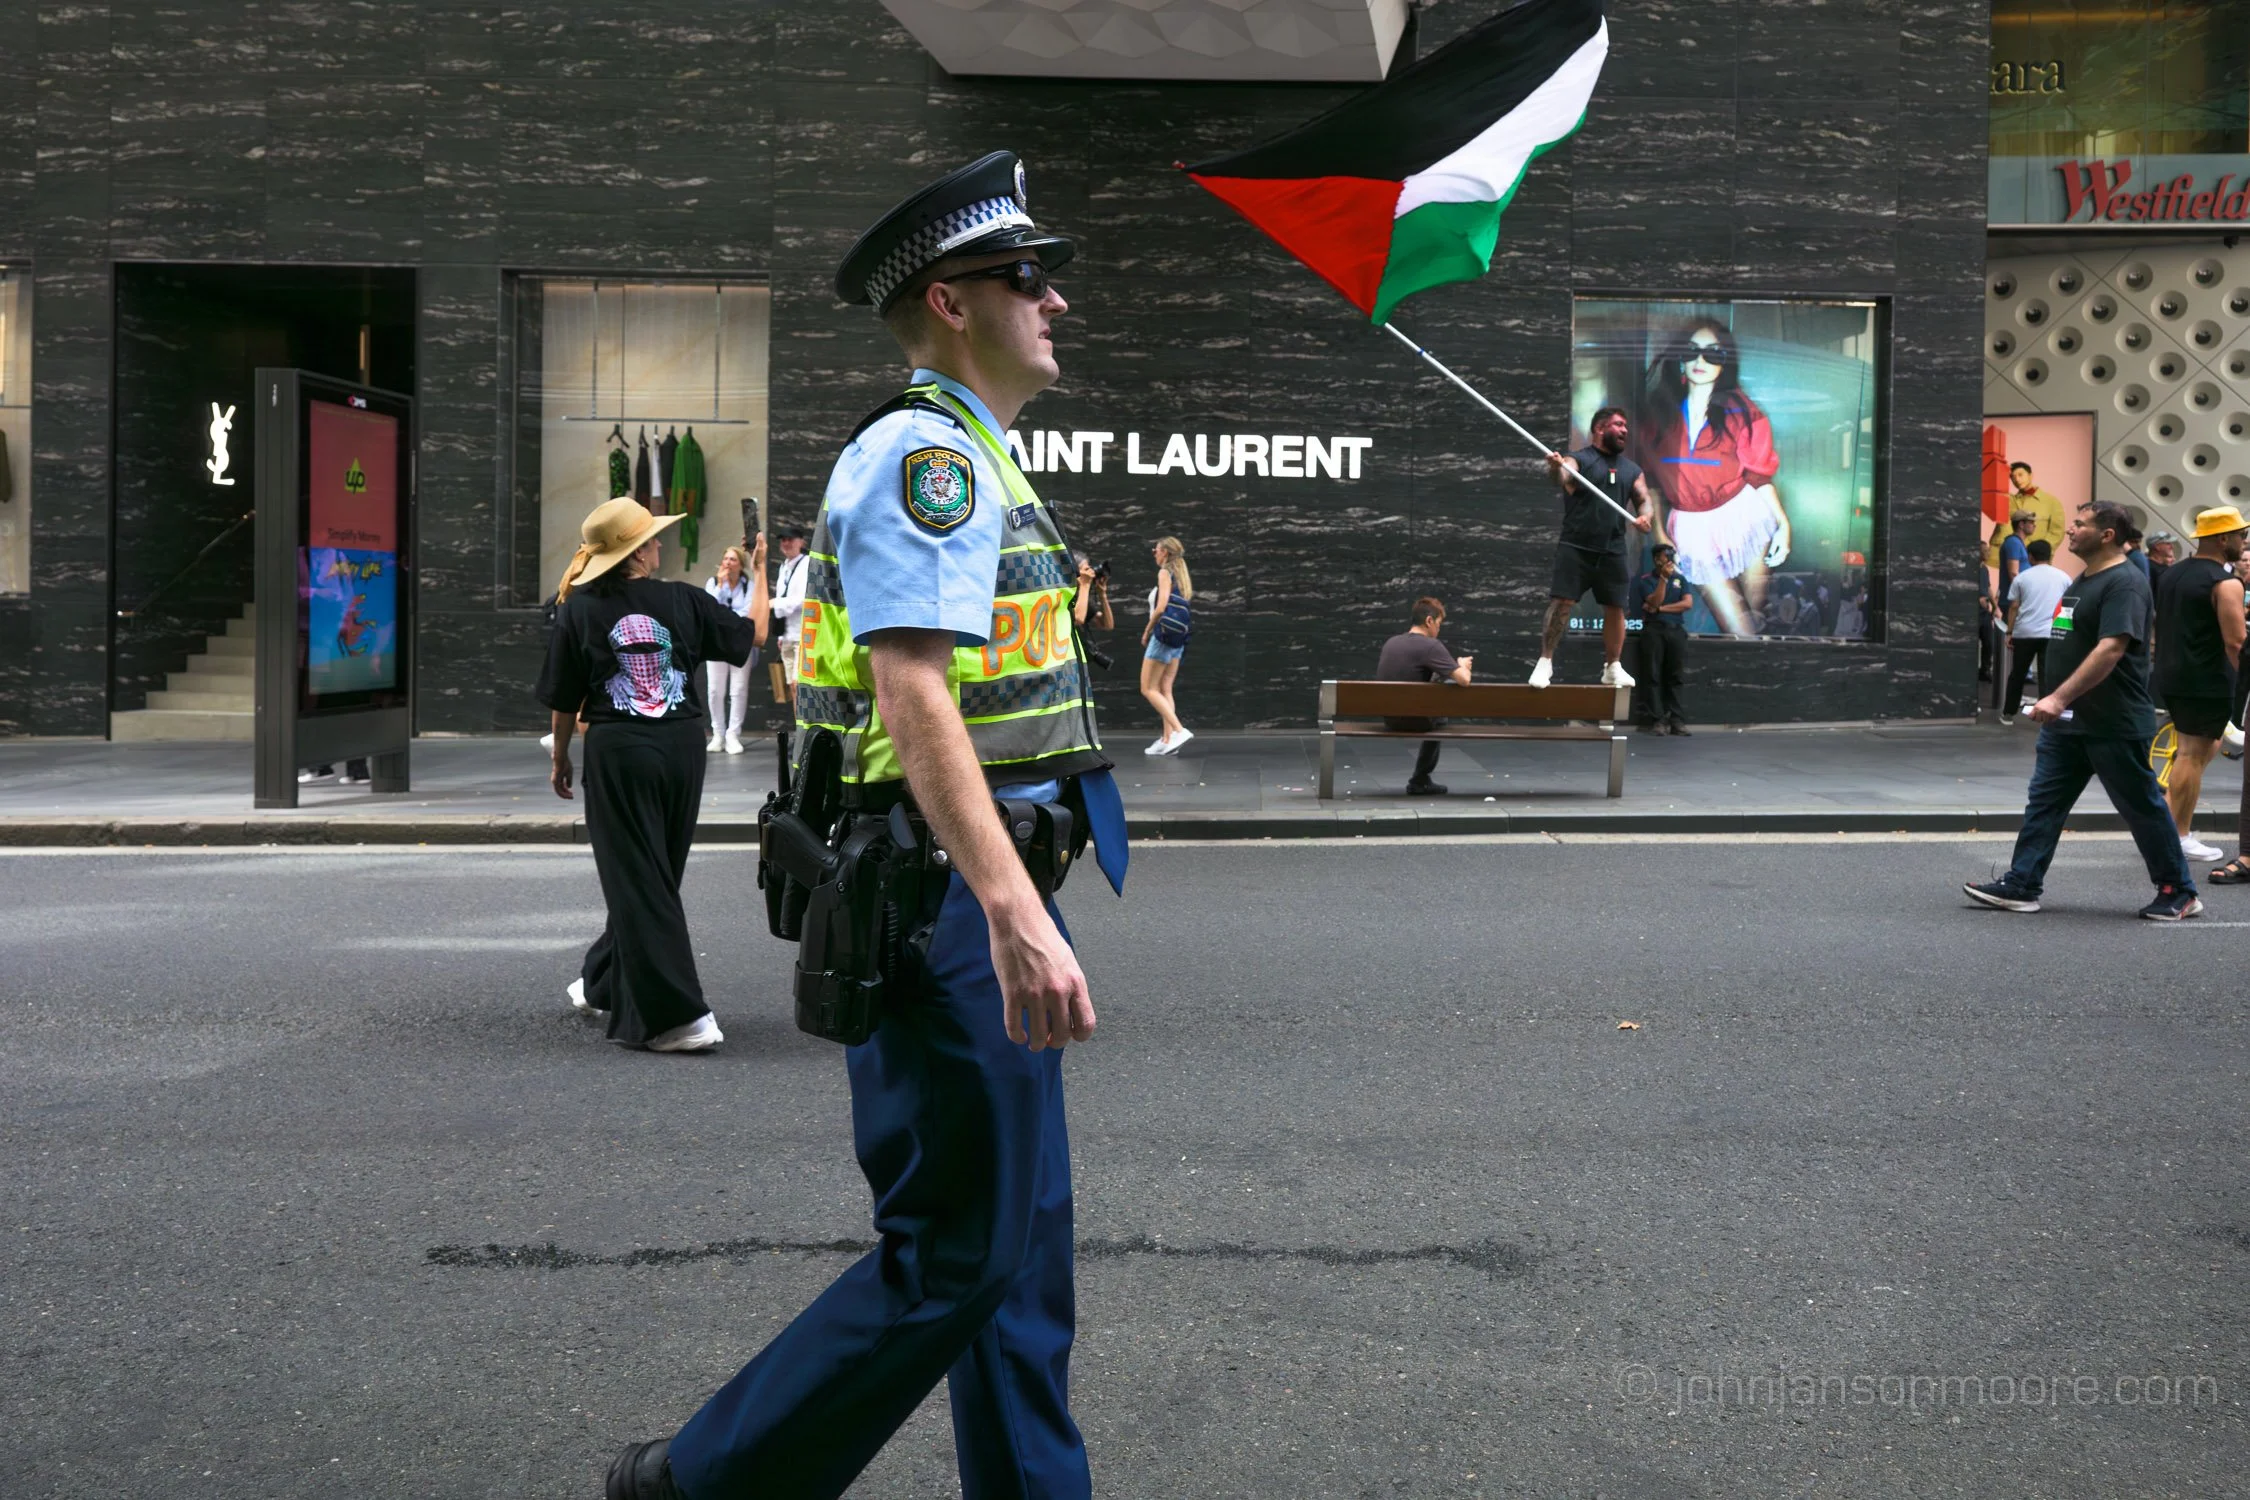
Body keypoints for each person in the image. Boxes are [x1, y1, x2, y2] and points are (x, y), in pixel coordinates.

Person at [607, 149, 1128, 1500]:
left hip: (969, 883)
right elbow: (911, 692)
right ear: (952, 302)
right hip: (943, 895)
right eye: (1029, 277)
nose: (1055, 300)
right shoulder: (925, 459)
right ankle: (700, 1483)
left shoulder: (974, 452)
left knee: (1019, 1260)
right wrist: (1011, 912)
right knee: (956, 1253)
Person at [537, 497, 759, 1051]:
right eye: (653, 538)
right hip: (682, 748)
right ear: (638, 552)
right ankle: (603, 981)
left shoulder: (579, 609)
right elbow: (751, 636)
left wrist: (560, 755)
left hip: (621, 750)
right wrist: (760, 575)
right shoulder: (683, 599)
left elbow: (565, 698)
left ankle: (676, 1018)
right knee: (652, 873)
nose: (660, 544)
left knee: (639, 874)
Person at [1964, 503, 2203, 921]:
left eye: (2080, 524)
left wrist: (2057, 698)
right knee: (2045, 803)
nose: (2070, 530)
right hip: (2069, 724)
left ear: (2107, 535)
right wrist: (2061, 705)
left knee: (2142, 807)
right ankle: (2022, 883)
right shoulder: (2083, 578)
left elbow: (2111, 648)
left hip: (2113, 722)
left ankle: (2179, 890)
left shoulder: (2125, 583)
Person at [1638, 320, 1790, 638]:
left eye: (1713, 354)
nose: (1700, 361)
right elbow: (1650, 484)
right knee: (1738, 628)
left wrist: (1783, 525)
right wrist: (1660, 536)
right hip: (1692, 528)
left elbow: (1758, 476)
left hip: (1744, 516)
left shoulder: (1743, 412)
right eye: (1692, 352)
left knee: (1756, 616)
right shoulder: (1658, 416)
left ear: (1725, 364)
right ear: (1680, 359)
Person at [1531, 406, 1654, 688]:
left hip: (1613, 549)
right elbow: (1562, 478)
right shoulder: (1579, 460)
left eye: (1626, 426)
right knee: (1562, 603)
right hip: (1576, 546)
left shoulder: (1631, 470)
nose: (1624, 430)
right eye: (1618, 424)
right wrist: (1556, 467)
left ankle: (1613, 667)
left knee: (1616, 608)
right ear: (1599, 429)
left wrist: (1645, 516)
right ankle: (1545, 662)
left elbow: (1644, 499)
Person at [2155, 506, 2248, 865]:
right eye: (2241, 535)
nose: (2244, 542)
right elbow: (2236, 643)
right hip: (2206, 680)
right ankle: (2178, 837)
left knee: (2200, 751)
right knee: (2192, 755)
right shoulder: (2225, 583)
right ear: (2223, 538)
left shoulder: (2173, 574)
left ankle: (2167, 829)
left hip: (2172, 674)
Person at [1376, 595, 1473, 795]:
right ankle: (1420, 779)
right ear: (1429, 621)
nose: (1439, 629)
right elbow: (1464, 680)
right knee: (1441, 716)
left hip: (1389, 718)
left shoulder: (1391, 643)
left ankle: (1420, 779)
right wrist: (1462, 665)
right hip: (1415, 720)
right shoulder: (1431, 646)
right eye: (1439, 624)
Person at [700, 540, 770, 755]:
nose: (728, 563)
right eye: (726, 559)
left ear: (740, 564)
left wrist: (726, 620)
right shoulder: (713, 583)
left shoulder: (749, 586)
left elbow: (748, 611)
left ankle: (733, 734)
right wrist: (721, 586)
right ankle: (718, 733)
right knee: (715, 689)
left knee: (738, 689)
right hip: (716, 642)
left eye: (733, 559)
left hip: (740, 641)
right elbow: (709, 608)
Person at [2001, 538, 2070, 723]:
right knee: (2047, 675)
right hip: (2052, 633)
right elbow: (2066, 607)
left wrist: (2009, 632)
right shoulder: (2064, 577)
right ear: (2050, 555)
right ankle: (2047, 715)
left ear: (2030, 557)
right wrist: (2064, 632)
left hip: (2025, 633)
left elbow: (2014, 606)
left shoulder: (2022, 578)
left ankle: (2008, 714)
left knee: (2018, 674)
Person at [1628, 543, 1693, 734]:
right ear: (1657, 559)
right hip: (1654, 630)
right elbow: (1654, 600)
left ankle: (1676, 720)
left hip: (1676, 630)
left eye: (1672, 555)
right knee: (1653, 675)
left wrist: (1661, 609)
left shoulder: (1680, 579)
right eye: (1666, 556)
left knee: (1676, 676)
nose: (1670, 559)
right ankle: (1657, 720)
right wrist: (1663, 579)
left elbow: (1687, 603)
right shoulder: (1645, 580)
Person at [1139, 535, 1194, 754]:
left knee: (1148, 688)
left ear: (1165, 553)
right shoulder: (1182, 575)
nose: (1154, 553)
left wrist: (1147, 630)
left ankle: (1179, 731)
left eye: (1156, 550)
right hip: (1178, 638)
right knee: (1165, 688)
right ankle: (1168, 740)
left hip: (1162, 637)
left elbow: (1160, 607)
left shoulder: (1165, 573)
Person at [769, 521, 812, 687]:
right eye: (783, 540)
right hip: (787, 634)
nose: (786, 543)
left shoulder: (807, 563)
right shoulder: (784, 566)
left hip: (802, 634)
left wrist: (775, 603)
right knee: (790, 686)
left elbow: (804, 599)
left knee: (798, 684)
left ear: (801, 542)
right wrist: (781, 635)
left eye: (790, 539)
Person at [2002, 460, 2070, 555]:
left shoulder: (2052, 502)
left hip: (2037, 558)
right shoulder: (2010, 501)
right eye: (2012, 477)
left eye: (2020, 475)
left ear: (2031, 475)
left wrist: (2040, 552)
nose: (2017, 480)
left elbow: (2057, 533)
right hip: (2012, 556)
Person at [1071, 551, 1114, 631]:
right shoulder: (1062, 594)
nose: (1091, 573)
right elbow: (1077, 619)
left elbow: (1107, 625)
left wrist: (1102, 595)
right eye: (1086, 569)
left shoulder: (1082, 596)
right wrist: (1085, 585)